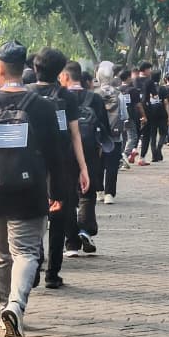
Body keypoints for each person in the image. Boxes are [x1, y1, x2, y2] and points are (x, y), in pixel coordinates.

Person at [0, 42, 68, 337]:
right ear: (23, 70)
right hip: (31, 188)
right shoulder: (42, 106)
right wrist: (57, 191)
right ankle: (15, 306)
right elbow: (55, 154)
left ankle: (4, 309)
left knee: (2, 254)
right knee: (26, 251)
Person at [29, 48, 90, 288]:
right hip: (62, 166)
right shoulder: (67, 97)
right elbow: (75, 135)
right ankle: (52, 274)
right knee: (58, 218)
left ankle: (32, 268)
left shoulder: (27, 95)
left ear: (35, 68)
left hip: (31, 165)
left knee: (33, 218)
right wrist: (83, 168)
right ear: (60, 71)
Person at [65, 63, 107, 256]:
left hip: (65, 151)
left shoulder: (60, 97)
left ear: (65, 76)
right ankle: (84, 229)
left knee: (67, 197)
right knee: (87, 194)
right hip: (90, 151)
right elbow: (104, 126)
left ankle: (71, 243)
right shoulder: (95, 98)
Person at [94, 62, 124, 205]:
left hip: (98, 137)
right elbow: (124, 116)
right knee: (112, 165)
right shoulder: (119, 94)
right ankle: (109, 194)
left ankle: (99, 191)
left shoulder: (93, 95)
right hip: (115, 136)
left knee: (98, 164)